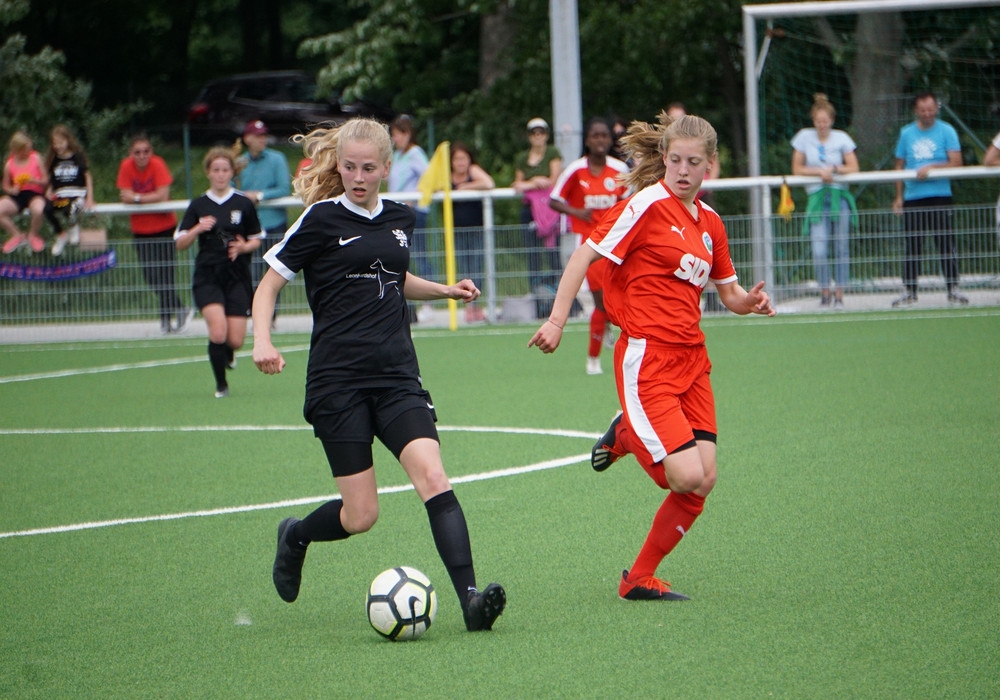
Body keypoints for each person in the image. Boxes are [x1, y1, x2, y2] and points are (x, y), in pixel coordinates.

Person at [251, 118, 506, 632]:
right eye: (349, 167)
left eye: (369, 168)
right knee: (361, 515)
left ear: (387, 167)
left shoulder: (400, 217)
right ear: (338, 165)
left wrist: (446, 291)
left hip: (396, 378)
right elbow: (269, 285)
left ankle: (472, 602)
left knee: (434, 477)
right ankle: (296, 535)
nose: (358, 177)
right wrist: (261, 339)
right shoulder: (320, 219)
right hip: (336, 383)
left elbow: (394, 275)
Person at [529, 111, 775, 602]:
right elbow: (584, 256)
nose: (684, 171)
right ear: (664, 159)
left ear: (710, 166)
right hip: (648, 358)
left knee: (703, 480)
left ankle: (638, 578)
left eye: (694, 163)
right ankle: (625, 432)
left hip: (693, 361)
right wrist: (557, 320)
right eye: (676, 160)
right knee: (683, 474)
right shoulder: (645, 205)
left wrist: (748, 302)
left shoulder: (711, 224)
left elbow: (727, 292)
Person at [174, 147, 264, 398]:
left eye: (225, 170)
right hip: (208, 276)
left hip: (237, 277)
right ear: (208, 173)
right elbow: (180, 243)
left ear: (232, 172)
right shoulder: (199, 205)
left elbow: (257, 238)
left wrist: (244, 246)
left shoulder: (243, 203)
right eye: (216, 170)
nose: (221, 175)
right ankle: (221, 385)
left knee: (235, 340)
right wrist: (196, 229)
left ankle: (228, 353)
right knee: (217, 331)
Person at [549, 117, 629, 375]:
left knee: (620, 300)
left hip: (616, 245)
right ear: (587, 140)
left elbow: (630, 202)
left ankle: (610, 338)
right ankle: (593, 359)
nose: (600, 140)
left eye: (604, 135)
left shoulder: (619, 170)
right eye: (595, 136)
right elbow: (554, 199)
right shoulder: (575, 170)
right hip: (589, 246)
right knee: (602, 303)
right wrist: (575, 211)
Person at [891, 91, 968, 307]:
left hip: (940, 196)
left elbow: (956, 162)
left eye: (931, 109)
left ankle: (953, 288)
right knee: (913, 244)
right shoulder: (906, 133)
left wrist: (932, 167)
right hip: (913, 196)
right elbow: (899, 165)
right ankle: (909, 290)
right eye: (923, 110)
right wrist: (898, 197)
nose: (927, 114)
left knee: (945, 242)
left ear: (936, 109)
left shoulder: (947, 131)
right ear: (916, 111)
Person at [117, 134, 192, 334]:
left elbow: (162, 195)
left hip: (164, 227)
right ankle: (179, 307)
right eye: (137, 152)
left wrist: (138, 198)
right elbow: (124, 196)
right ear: (131, 154)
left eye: (146, 151)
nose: (142, 156)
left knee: (166, 275)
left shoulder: (158, 165)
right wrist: (139, 199)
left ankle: (166, 320)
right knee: (151, 276)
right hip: (141, 230)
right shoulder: (126, 167)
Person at [791, 93, 860, 308]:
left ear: (831, 120)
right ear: (813, 121)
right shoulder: (804, 137)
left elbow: (853, 167)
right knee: (819, 248)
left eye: (825, 121)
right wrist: (818, 173)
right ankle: (824, 291)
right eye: (818, 121)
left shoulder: (842, 138)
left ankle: (839, 293)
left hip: (838, 197)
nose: (822, 125)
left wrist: (835, 169)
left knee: (841, 246)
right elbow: (797, 168)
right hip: (817, 198)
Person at [237, 119, 291, 327]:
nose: (262, 140)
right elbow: (232, 189)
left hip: (273, 222)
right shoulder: (240, 162)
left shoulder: (277, 159)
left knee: (273, 270)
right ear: (247, 139)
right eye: (257, 136)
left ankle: (271, 316)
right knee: (250, 271)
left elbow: (284, 188)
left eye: (263, 136)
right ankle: (255, 313)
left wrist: (259, 195)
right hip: (249, 226)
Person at [511, 117, 563, 306]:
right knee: (532, 252)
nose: (538, 137)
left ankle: (557, 290)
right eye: (534, 133)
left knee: (553, 252)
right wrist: (535, 182)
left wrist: (533, 183)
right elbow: (518, 184)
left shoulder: (552, 153)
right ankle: (536, 292)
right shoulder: (522, 158)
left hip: (549, 210)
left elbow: (554, 179)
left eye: (541, 133)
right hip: (531, 210)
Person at [388, 114, 434, 322]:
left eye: (397, 135)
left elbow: (428, 178)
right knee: (402, 256)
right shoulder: (397, 156)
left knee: (419, 254)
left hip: (414, 213)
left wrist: (415, 199)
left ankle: (428, 303)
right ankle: (408, 304)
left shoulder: (415, 153)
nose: (395, 139)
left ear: (407, 134)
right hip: (397, 212)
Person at [450, 141, 495, 323]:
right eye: (457, 159)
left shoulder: (473, 172)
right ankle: (468, 306)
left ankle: (476, 306)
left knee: (476, 266)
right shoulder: (448, 177)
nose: (460, 163)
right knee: (463, 267)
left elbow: (488, 183)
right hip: (457, 230)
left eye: (463, 158)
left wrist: (466, 187)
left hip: (476, 229)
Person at [46, 124, 95, 256]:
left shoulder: (77, 156)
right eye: (55, 143)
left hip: (77, 193)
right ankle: (61, 234)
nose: (58, 146)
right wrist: (48, 191)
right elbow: (52, 178)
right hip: (61, 194)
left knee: (70, 207)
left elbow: (87, 176)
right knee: (47, 208)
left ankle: (73, 226)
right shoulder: (53, 160)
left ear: (68, 140)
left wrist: (90, 198)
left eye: (61, 142)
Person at [1, 131, 49, 254]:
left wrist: (34, 180)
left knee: (38, 209)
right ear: (18, 150)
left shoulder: (36, 158)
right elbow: (5, 185)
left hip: (34, 192)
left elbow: (46, 180)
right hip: (18, 194)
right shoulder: (9, 164)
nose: (29, 150)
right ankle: (17, 235)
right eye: (26, 149)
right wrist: (11, 189)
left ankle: (32, 234)